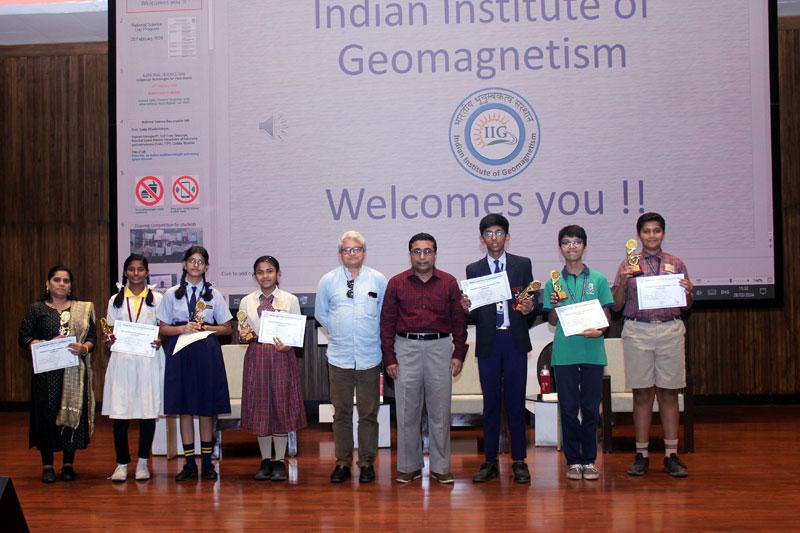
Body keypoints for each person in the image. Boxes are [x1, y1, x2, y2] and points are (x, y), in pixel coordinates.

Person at [380, 233, 467, 484]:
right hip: (405, 348)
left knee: (440, 412)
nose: (422, 256)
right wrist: (390, 358)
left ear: (435, 254)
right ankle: (409, 466)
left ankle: (441, 467)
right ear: (410, 254)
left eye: (427, 251)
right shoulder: (396, 283)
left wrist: (458, 353)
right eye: (417, 251)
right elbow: (386, 323)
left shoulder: (449, 282)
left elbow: (459, 321)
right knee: (407, 411)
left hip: (440, 348)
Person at [612, 212, 693, 478]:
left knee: (669, 393)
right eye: (646, 231)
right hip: (638, 331)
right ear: (639, 235)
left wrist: (689, 291)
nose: (651, 235)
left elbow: (686, 306)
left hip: (670, 329)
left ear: (663, 233)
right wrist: (623, 281)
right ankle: (641, 454)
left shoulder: (676, 262)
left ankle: (671, 454)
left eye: (656, 230)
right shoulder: (628, 264)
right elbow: (617, 305)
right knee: (642, 394)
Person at [461, 213, 535, 484]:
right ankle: (490, 460)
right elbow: (474, 313)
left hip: (514, 340)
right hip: (489, 343)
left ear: (507, 236)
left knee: (515, 403)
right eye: (489, 234)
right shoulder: (473, 269)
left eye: (499, 233)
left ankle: (519, 460)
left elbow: (530, 302)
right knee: (490, 404)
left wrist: (530, 307)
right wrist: (466, 309)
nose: (494, 238)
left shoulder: (522, 264)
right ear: (482, 239)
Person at [315, 231, 388, 484]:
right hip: (339, 357)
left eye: (356, 249)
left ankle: (367, 462)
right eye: (347, 250)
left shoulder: (378, 279)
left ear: (363, 252)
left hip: (370, 357)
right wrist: (339, 331)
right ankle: (342, 463)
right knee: (341, 414)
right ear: (340, 254)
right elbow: (321, 314)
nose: (352, 253)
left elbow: (384, 314)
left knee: (369, 413)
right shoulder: (328, 281)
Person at [543, 225, 613, 481]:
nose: (571, 246)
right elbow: (552, 320)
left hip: (593, 352)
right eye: (566, 242)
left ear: (584, 245)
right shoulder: (553, 281)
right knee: (569, 408)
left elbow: (606, 315)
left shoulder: (599, 279)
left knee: (591, 408)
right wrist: (555, 305)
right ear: (560, 248)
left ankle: (590, 459)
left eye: (576, 242)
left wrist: (601, 330)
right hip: (565, 353)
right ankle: (573, 460)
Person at [157, 246, 232, 482]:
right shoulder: (171, 294)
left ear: (206, 267)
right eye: (192, 260)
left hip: (206, 351)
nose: (196, 265)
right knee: (185, 408)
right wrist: (182, 328)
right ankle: (189, 463)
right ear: (184, 264)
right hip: (180, 350)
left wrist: (206, 327)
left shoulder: (214, 294)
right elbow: (162, 328)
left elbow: (227, 328)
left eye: (200, 261)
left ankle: (207, 464)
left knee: (206, 408)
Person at [18, 266, 97, 483]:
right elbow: (24, 337)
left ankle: (68, 464)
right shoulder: (37, 309)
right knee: (47, 416)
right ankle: (47, 465)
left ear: (70, 286)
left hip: (74, 373)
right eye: (57, 279)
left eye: (66, 281)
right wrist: (44, 344)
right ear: (48, 284)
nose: (61, 284)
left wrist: (84, 348)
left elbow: (92, 338)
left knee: (71, 414)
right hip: (46, 376)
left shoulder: (82, 309)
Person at [238, 255, 307, 482]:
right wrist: (245, 335)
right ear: (254, 276)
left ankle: (279, 461)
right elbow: (243, 331)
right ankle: (265, 460)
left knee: (281, 406)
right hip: (257, 355)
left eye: (269, 271)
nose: (265, 276)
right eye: (260, 272)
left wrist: (289, 344)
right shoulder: (247, 301)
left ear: (278, 274)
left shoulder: (289, 300)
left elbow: (297, 333)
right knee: (261, 408)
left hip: (281, 356)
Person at [102, 254, 164, 482]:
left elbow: (163, 328)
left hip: (148, 360)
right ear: (125, 272)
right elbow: (109, 330)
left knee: (147, 412)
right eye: (131, 269)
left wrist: (160, 340)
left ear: (147, 272)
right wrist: (109, 339)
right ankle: (121, 464)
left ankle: (143, 463)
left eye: (140, 269)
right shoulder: (115, 299)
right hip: (123, 361)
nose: (136, 273)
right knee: (121, 413)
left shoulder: (157, 298)